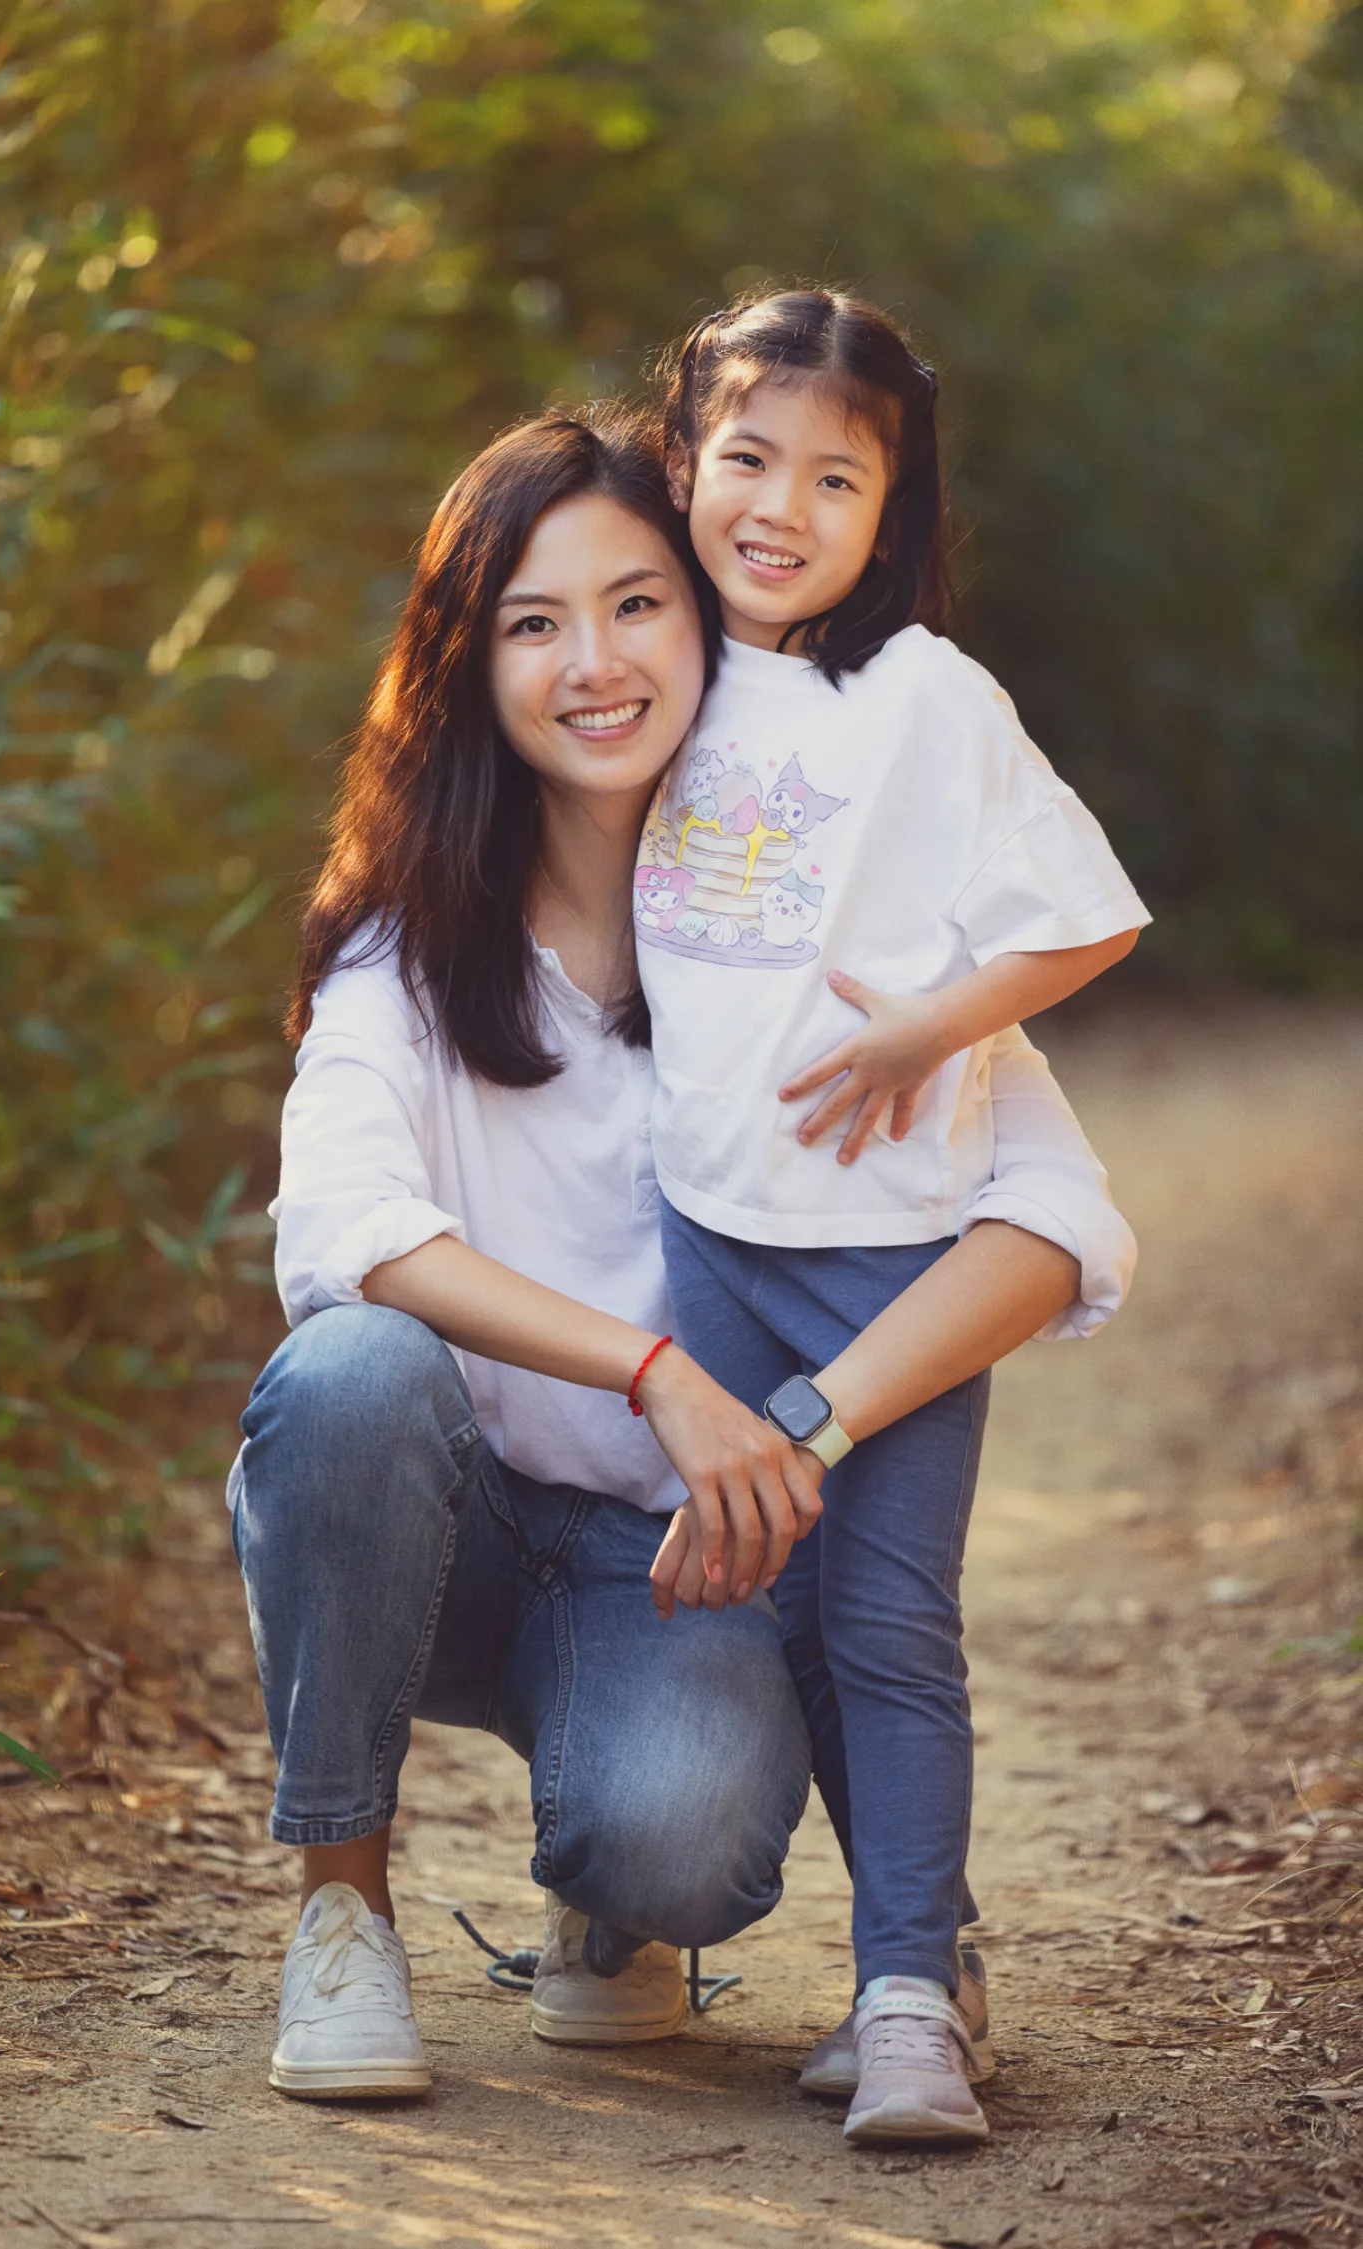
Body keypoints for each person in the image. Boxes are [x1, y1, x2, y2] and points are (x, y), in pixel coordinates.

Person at [231, 405, 1136, 2113]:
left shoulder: (841, 929)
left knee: (689, 1838)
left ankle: (610, 1901)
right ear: (467, 661)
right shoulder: (409, 947)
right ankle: (339, 1916)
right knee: (351, 1369)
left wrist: (803, 1425)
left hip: (679, 1571)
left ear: (714, 615)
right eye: (534, 621)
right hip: (453, 1529)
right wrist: (656, 1369)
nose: (596, 662)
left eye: (638, 604)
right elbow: (348, 1228)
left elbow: (1052, 1223)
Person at [634, 287, 1150, 2147]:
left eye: (834, 478)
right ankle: (912, 1945)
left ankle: (914, 1998)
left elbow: (1084, 913)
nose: (780, 504)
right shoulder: (657, 659)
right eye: (747, 456)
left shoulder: (924, 695)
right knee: (769, 1626)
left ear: (890, 510)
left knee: (887, 1623)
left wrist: (940, 1021)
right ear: (682, 457)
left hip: (892, 1244)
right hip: (708, 1237)